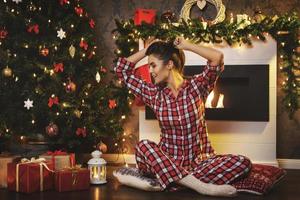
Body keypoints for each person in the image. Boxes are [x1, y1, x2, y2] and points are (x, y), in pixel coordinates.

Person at [114, 37, 252, 197]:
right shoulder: (153, 94)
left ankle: (173, 181)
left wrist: (187, 45)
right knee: (144, 146)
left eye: (153, 65)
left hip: (198, 163)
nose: (150, 71)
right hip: (166, 161)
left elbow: (217, 57)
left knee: (243, 163)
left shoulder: (197, 86)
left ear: (170, 64)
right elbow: (121, 69)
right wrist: (148, 50)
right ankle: (202, 187)